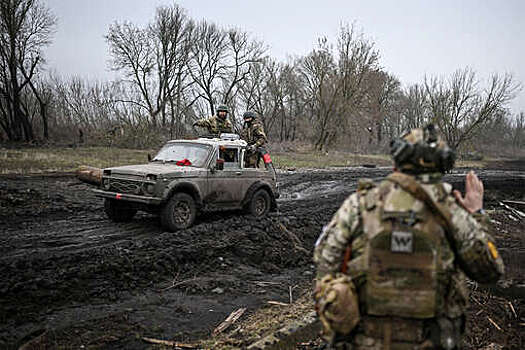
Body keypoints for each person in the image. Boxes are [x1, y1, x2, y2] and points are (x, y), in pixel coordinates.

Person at [313, 124, 504, 350]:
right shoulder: (451, 212)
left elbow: (325, 263)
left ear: (396, 163)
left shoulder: (359, 205)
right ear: (441, 166)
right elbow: (490, 271)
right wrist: (477, 214)